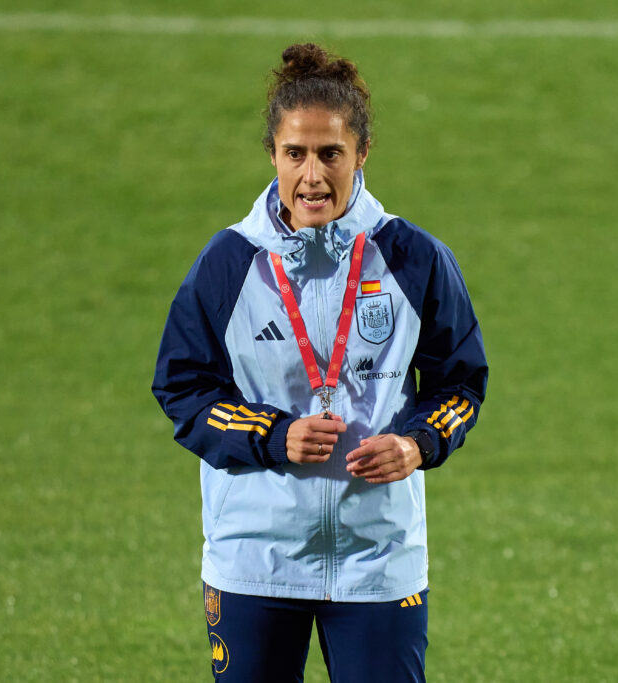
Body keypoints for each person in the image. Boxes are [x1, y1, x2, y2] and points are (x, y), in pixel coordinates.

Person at [152, 42, 488, 683]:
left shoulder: (415, 259)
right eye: (295, 154)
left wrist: (418, 444)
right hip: (255, 558)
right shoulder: (228, 265)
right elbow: (183, 389)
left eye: (330, 153)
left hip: (378, 559)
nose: (313, 175)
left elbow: (461, 384)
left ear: (361, 154)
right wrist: (273, 434)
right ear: (272, 156)